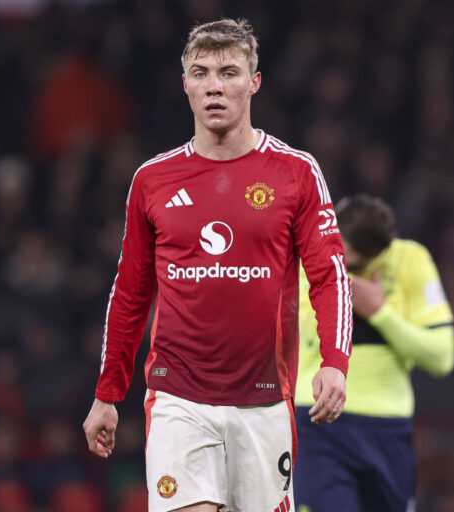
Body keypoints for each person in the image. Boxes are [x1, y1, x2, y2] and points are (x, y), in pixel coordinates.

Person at [81, 18, 353, 512]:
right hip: (178, 399)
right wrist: (108, 393)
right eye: (201, 73)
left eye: (229, 73)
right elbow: (131, 292)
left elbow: (329, 275)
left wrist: (334, 361)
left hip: (264, 400)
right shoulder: (152, 180)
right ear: (184, 83)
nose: (214, 86)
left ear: (254, 82)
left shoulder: (296, 172)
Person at [293, 194, 454, 512]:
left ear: (382, 252)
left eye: (355, 265)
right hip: (317, 422)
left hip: (389, 427)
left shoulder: (410, 259)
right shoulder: (307, 256)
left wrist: (380, 312)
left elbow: (442, 358)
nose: (345, 270)